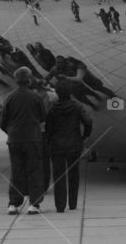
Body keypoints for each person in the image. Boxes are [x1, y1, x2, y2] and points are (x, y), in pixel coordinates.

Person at [1, 66, 48, 215]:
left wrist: (11, 131)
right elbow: (42, 117)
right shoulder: (35, 97)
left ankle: (13, 203)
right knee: (34, 170)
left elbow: (2, 121)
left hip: (14, 138)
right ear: (29, 80)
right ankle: (34, 203)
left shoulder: (9, 97)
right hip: (32, 138)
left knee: (16, 170)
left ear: (16, 80)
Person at [45, 80, 93, 213]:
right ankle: (72, 203)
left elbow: (48, 127)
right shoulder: (77, 106)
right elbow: (88, 121)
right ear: (70, 93)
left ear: (58, 93)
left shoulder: (53, 109)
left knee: (58, 175)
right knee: (74, 174)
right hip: (74, 144)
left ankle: (60, 205)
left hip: (56, 145)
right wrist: (85, 136)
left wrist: (49, 139)